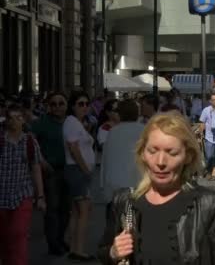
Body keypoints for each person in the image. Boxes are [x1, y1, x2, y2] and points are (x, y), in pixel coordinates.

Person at [98, 113, 215, 264]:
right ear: (142, 153)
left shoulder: (208, 203)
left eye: (172, 153)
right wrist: (113, 253)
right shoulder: (125, 201)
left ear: (188, 156)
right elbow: (103, 253)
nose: (160, 162)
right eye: (152, 151)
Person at [0, 104, 45, 265]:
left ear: (24, 120)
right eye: (11, 118)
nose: (14, 122)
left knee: (18, 234)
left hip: (22, 195)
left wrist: (40, 196)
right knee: (5, 238)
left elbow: (36, 168)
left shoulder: (29, 142)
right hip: (2, 197)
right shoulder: (1, 140)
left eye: (18, 118)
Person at [30, 92, 71, 256]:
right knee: (52, 210)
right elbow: (31, 143)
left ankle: (60, 239)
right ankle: (53, 244)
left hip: (69, 170)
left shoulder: (71, 122)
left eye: (61, 103)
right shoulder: (41, 123)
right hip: (51, 171)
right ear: (48, 106)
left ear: (66, 105)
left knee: (66, 209)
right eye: (53, 104)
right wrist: (42, 161)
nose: (57, 107)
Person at [63, 92, 97, 261]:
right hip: (76, 170)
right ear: (73, 106)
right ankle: (78, 249)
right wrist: (85, 169)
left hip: (78, 170)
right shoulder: (71, 123)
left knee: (78, 211)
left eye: (86, 103)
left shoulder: (76, 123)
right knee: (84, 210)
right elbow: (73, 148)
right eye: (80, 104)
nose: (84, 107)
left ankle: (72, 245)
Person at [100, 100, 145, 204]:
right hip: (136, 183)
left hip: (115, 185)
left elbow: (106, 159)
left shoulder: (113, 132)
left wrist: (103, 183)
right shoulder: (143, 130)